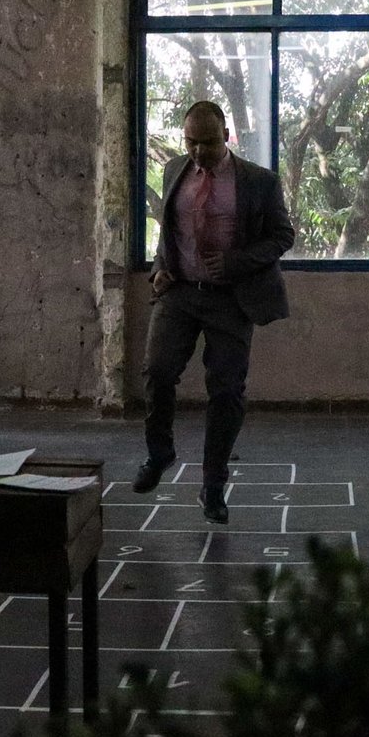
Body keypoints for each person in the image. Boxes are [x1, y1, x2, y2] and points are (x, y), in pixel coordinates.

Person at [136, 100, 294, 524]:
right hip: (179, 293)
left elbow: (283, 236)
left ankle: (212, 484)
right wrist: (159, 268)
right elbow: (169, 231)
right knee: (157, 371)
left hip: (231, 299)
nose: (198, 151)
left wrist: (236, 262)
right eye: (190, 142)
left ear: (226, 136)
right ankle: (160, 453)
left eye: (207, 142)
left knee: (226, 391)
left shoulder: (259, 182)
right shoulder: (175, 169)